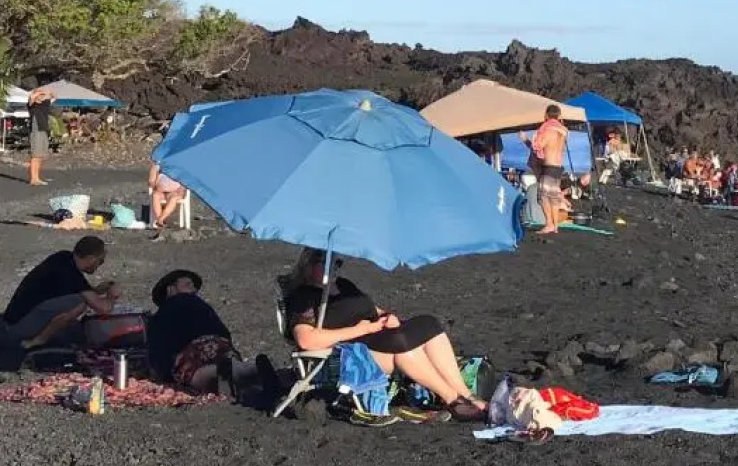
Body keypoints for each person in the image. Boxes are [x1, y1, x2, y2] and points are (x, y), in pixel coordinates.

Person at [285, 248, 487, 420]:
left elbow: (371, 308)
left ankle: (465, 393)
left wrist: (387, 316)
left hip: (379, 335)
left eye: (337, 262)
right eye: (327, 262)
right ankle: (452, 399)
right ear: (308, 265)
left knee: (429, 324)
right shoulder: (304, 297)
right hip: (354, 349)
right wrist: (362, 329)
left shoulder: (344, 285)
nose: (334, 267)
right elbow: (306, 339)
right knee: (402, 347)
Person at [2, 236, 119, 349]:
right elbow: (104, 308)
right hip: (18, 328)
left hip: (13, 321)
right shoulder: (72, 274)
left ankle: (42, 335)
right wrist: (112, 296)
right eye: (100, 261)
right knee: (79, 303)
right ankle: (38, 340)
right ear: (91, 259)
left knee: (77, 307)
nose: (100, 265)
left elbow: (72, 291)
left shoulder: (63, 258)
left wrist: (96, 291)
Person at [146, 269, 240, 392]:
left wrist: (163, 374)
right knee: (232, 368)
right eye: (188, 284)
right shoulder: (203, 306)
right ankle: (247, 369)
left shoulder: (165, 311)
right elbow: (224, 333)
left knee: (194, 375)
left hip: (195, 351)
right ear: (171, 289)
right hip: (222, 345)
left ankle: (221, 372)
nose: (194, 290)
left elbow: (158, 346)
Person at [531, 105, 570, 234]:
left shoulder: (547, 130)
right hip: (558, 167)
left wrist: (531, 139)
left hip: (549, 166)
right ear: (559, 116)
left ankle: (549, 224)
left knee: (543, 197)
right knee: (554, 198)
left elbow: (538, 146)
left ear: (546, 116)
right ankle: (555, 226)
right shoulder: (563, 132)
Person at [26, 87, 55, 186]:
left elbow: (52, 96)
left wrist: (45, 92)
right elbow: (31, 99)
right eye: (39, 95)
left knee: (40, 155)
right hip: (36, 129)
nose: (41, 96)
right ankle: (33, 179)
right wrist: (37, 93)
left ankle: (37, 177)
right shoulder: (32, 105)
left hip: (43, 129)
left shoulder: (45, 104)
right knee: (36, 154)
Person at [148, 160, 188, 228]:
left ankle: (160, 219)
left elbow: (185, 179)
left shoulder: (181, 165)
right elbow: (151, 181)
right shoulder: (159, 164)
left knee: (173, 198)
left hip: (174, 191)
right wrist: (153, 178)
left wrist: (182, 190)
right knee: (155, 195)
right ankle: (160, 222)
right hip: (160, 191)